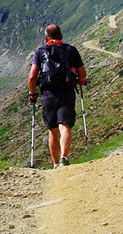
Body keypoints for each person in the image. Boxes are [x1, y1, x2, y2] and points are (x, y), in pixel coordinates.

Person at [27, 24, 87, 167]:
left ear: (46, 38)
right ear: (61, 36)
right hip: (66, 93)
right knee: (65, 126)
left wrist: (33, 94)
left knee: (53, 131)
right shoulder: (70, 50)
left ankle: (55, 165)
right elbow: (82, 74)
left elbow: (32, 77)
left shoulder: (40, 52)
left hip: (48, 95)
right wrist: (79, 81)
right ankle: (64, 157)